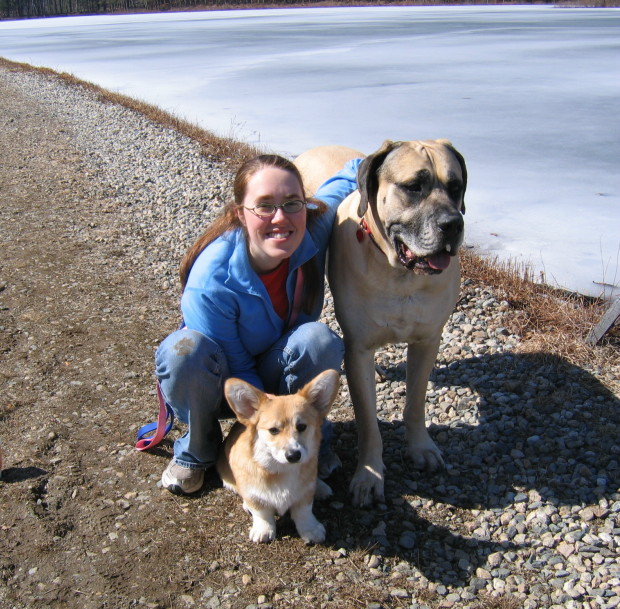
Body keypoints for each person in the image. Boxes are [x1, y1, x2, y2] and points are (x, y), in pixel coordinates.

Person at [155, 153, 362, 495]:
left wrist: (388, 164)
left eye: (292, 203)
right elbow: (236, 367)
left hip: (276, 374)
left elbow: (352, 173)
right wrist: (265, 418)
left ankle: (306, 440)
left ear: (304, 205)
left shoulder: (310, 227)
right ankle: (199, 448)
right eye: (264, 206)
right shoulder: (212, 279)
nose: (280, 218)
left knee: (318, 340)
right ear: (240, 213)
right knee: (183, 352)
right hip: (224, 383)